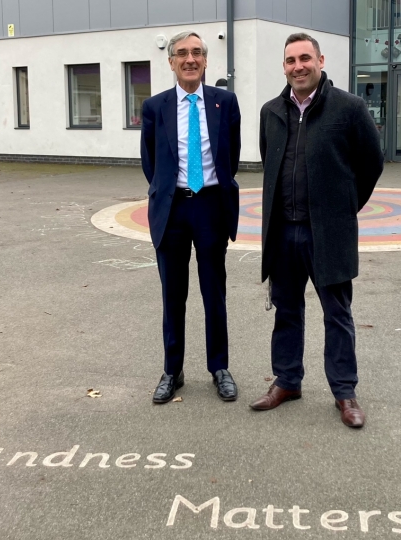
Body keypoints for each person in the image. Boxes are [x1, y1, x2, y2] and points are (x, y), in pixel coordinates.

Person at [250, 33, 384, 428]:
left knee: (337, 315)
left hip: (328, 233)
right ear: (284, 66)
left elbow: (371, 162)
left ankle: (344, 391)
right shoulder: (271, 111)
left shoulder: (349, 108)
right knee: (286, 311)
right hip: (284, 232)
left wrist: (345, 206)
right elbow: (269, 160)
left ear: (321, 60)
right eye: (291, 60)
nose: (298, 66)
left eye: (305, 58)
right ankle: (287, 381)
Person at [140, 31, 241, 404]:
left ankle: (220, 368)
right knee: (173, 295)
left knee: (214, 292)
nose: (190, 59)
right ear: (171, 62)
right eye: (182, 53)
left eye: (196, 52)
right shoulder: (155, 107)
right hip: (174, 210)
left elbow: (231, 155)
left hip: (212, 206)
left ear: (205, 60)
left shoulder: (225, 103)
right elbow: (151, 164)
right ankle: (172, 370)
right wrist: (170, 191)